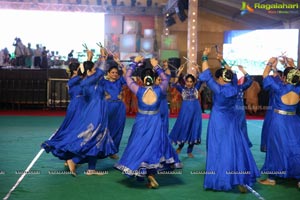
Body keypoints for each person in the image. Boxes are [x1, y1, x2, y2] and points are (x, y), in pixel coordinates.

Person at [114, 56, 182, 189]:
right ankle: (151, 176)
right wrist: (156, 65)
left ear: (141, 79)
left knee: (139, 146)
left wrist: (134, 63)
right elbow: (165, 78)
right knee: (153, 147)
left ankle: (146, 174)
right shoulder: (160, 89)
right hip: (156, 121)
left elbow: (127, 77)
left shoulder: (138, 90)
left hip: (141, 121)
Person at [199, 47, 260, 193]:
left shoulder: (219, 90)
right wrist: (221, 60)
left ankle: (221, 178)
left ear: (221, 78)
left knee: (219, 148)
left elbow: (206, 74)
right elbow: (230, 73)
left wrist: (204, 57)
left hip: (219, 121)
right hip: (232, 121)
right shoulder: (234, 87)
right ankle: (240, 179)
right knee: (235, 147)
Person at [259, 57, 300, 189]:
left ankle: (271, 178)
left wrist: (270, 63)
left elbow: (265, 75)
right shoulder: (298, 89)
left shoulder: (279, 88)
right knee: (295, 148)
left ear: (285, 77)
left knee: (275, 147)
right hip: (294, 121)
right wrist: (293, 65)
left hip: (279, 121)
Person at [41, 61, 84, 165]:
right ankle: (68, 156)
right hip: (77, 106)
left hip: (78, 105)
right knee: (74, 130)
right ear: (75, 70)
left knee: (75, 130)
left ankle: (69, 157)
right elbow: (84, 74)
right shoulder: (75, 79)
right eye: (79, 68)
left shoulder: (77, 79)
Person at [169, 65, 203, 158]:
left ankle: (189, 151)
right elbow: (175, 84)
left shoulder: (196, 88)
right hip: (185, 113)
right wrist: (179, 73)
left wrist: (198, 69)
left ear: (193, 82)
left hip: (195, 113)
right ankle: (180, 147)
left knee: (194, 129)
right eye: (187, 81)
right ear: (185, 81)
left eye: (191, 82)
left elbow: (201, 79)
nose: (188, 83)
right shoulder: (182, 89)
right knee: (184, 128)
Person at [101, 65, 127, 159]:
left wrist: (119, 63)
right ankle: (102, 150)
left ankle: (112, 151)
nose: (115, 74)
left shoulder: (120, 81)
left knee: (118, 129)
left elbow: (126, 75)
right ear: (108, 73)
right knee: (105, 128)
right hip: (107, 106)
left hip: (119, 107)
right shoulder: (103, 82)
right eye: (112, 72)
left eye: (116, 73)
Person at [260, 69, 283, 152]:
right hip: (272, 109)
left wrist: (272, 66)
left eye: (275, 75)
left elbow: (265, 76)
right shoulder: (276, 86)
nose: (274, 76)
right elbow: (265, 85)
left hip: (276, 111)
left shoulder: (279, 86)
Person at [154, 60, 171, 135]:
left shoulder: (164, 86)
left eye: (161, 79)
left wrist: (166, 66)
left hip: (163, 104)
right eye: (158, 79)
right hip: (155, 105)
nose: (160, 81)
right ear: (154, 80)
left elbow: (168, 76)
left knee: (164, 122)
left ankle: (164, 137)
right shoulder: (152, 88)